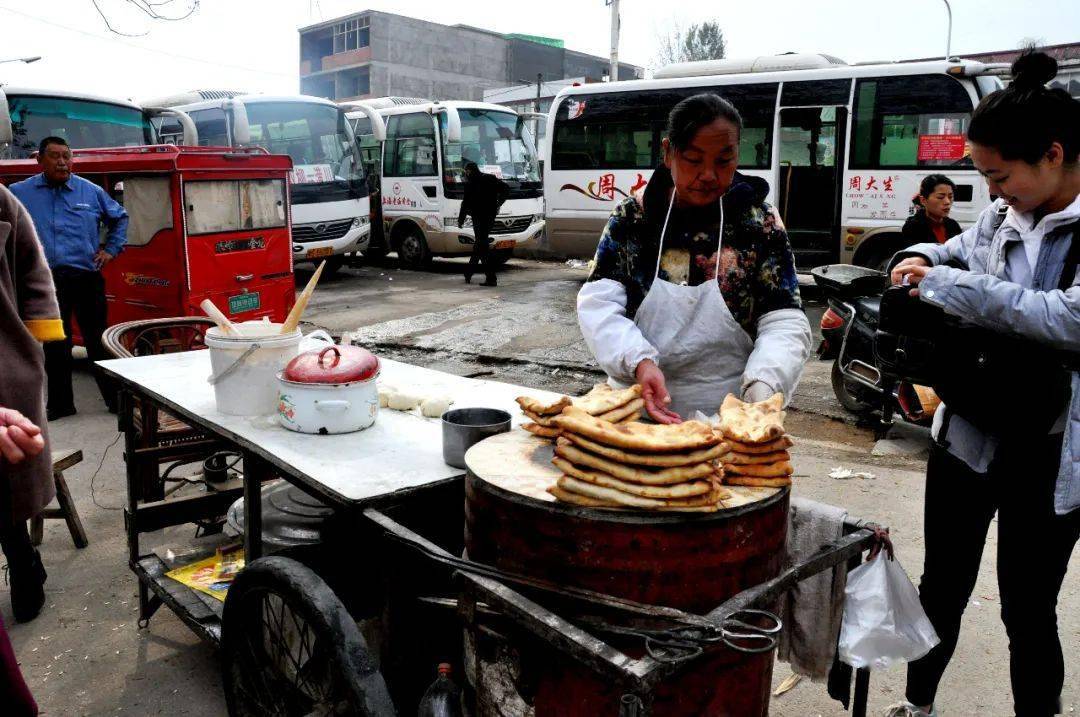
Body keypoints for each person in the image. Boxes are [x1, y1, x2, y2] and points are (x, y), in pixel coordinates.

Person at [887, 50, 1080, 717]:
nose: (993, 192)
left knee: (1028, 606)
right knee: (940, 585)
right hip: (967, 431)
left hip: (1050, 451)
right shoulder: (1001, 215)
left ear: (1053, 155)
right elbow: (957, 251)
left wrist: (950, 285)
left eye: (1000, 176)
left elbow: (1064, 318)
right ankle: (918, 704)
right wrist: (921, 256)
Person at [577, 93, 811, 422]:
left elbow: (784, 318)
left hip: (731, 413)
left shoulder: (759, 222)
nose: (709, 175)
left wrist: (763, 387)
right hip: (635, 409)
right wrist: (640, 363)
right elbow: (600, 305)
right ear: (668, 152)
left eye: (724, 160)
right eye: (693, 159)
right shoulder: (633, 218)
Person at [10, 136, 128, 419]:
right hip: (45, 282)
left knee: (98, 341)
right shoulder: (18, 193)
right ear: (39, 159)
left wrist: (111, 249)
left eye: (66, 156)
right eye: (55, 156)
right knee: (54, 344)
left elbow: (119, 217)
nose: (62, 162)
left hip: (86, 278)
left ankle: (116, 402)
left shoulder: (90, 192)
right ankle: (61, 404)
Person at [0, 182, 65, 623]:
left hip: (5, 360)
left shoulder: (2, 200)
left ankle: (23, 563)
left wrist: (34, 340)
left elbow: (33, 270)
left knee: (8, 478)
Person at [458, 162, 509, 287]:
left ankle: (491, 278)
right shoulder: (490, 178)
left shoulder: (470, 184)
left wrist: (461, 220)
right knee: (480, 244)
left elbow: (464, 204)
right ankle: (469, 273)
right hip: (489, 218)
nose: (466, 174)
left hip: (479, 219)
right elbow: (506, 189)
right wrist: (498, 203)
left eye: (466, 171)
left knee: (482, 247)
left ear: (469, 171)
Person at [901, 174, 962, 246]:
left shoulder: (953, 225)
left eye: (950, 197)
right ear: (923, 200)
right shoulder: (912, 227)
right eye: (940, 197)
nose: (947, 202)